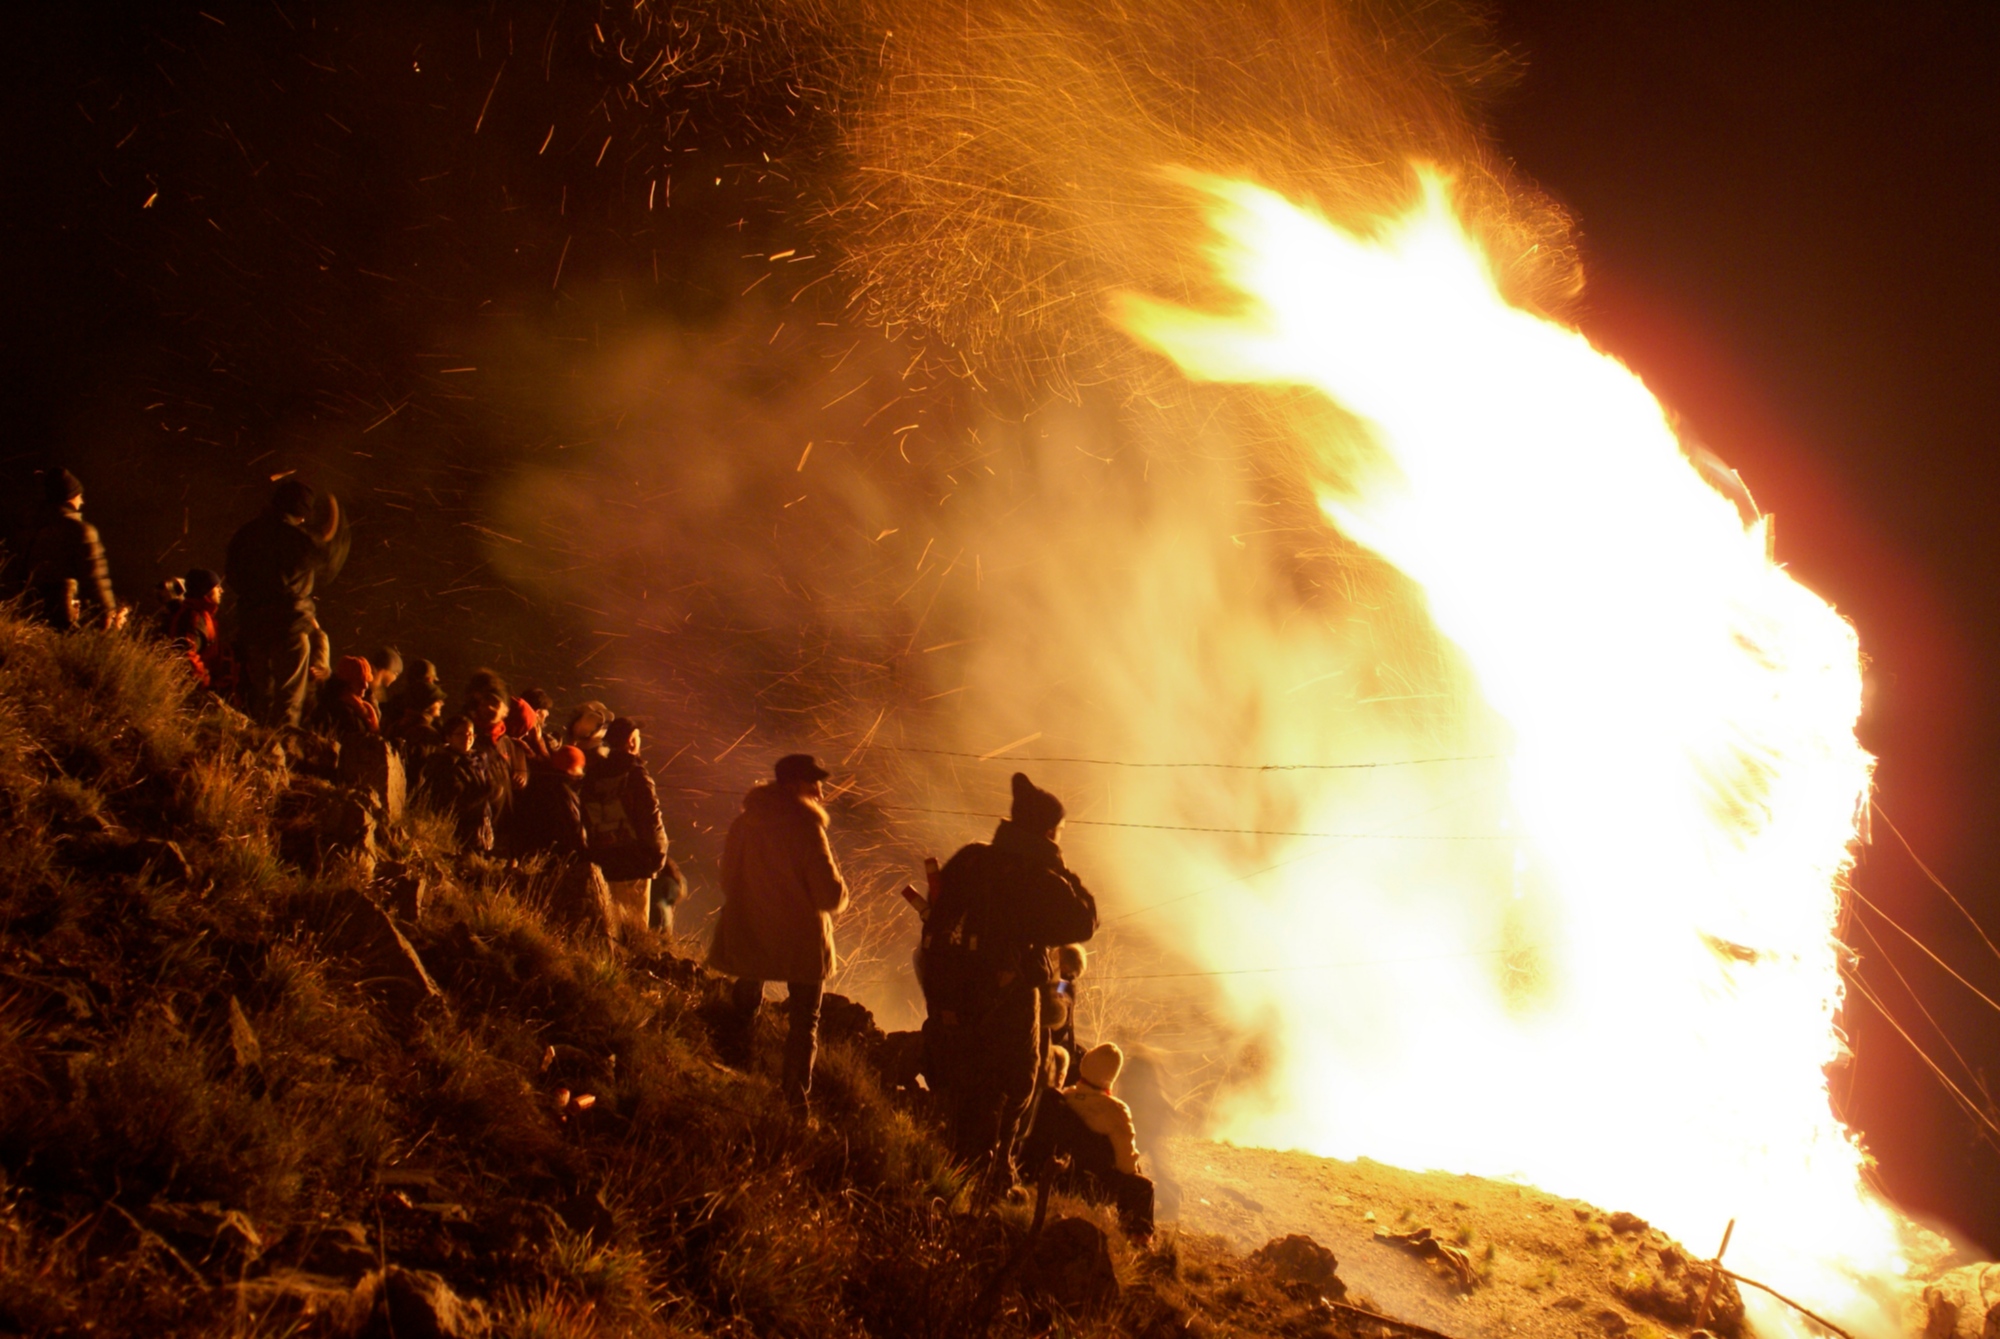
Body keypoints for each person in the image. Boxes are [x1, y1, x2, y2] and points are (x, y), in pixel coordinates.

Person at [920, 773, 1098, 1192]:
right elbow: (1084, 920)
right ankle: (994, 1174)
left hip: (952, 993)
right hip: (1010, 1000)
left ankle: (955, 1174)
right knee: (1020, 1083)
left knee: (968, 1083)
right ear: (1048, 831)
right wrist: (1058, 864)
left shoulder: (972, 858)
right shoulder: (1037, 877)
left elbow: (939, 910)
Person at [708, 753, 850, 1119]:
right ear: (793, 786)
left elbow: (727, 880)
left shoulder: (746, 822)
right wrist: (844, 892)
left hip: (751, 930)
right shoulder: (807, 828)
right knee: (805, 1020)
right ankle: (795, 1103)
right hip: (800, 942)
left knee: (748, 989)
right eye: (813, 784)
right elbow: (828, 896)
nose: (820, 792)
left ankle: (734, 1060)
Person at [225, 478, 349, 728]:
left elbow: (233, 577)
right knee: (288, 700)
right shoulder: (297, 539)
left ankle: (255, 744)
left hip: (252, 626)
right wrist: (339, 520)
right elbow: (329, 559)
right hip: (288, 629)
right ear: (301, 513)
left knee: (261, 695)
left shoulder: (245, 534)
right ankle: (278, 753)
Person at [1020, 1041, 1155, 1241]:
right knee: (1143, 1186)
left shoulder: (1064, 1097)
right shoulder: (1116, 1111)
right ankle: (1139, 1241)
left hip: (1065, 1177)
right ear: (1112, 1077)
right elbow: (1126, 1166)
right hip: (1095, 1185)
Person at [581, 717, 680, 937]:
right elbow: (651, 820)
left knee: (610, 927)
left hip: (604, 860)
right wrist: (657, 857)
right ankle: (629, 969)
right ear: (631, 742)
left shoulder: (592, 774)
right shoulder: (635, 774)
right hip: (635, 861)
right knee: (634, 931)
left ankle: (610, 966)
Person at [24, 467, 117, 630]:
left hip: (31, 616)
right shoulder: (80, 530)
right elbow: (95, 576)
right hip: (64, 614)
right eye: (79, 496)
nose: (82, 501)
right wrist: (107, 609)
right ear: (69, 497)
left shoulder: (39, 530)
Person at [417, 715, 502, 854]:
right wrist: (488, 791)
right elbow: (456, 801)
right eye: (461, 734)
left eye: (470, 733)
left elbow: (489, 783)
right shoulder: (444, 763)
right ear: (449, 737)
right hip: (458, 827)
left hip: (481, 822)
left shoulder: (478, 760)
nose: (467, 738)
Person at [166, 569, 233, 695]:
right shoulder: (193, 618)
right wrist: (203, 684)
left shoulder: (203, 615)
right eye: (217, 587)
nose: (221, 591)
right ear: (205, 591)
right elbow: (185, 655)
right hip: (195, 691)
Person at [327, 655, 380, 740]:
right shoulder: (338, 711)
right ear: (346, 682)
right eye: (360, 681)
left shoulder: (364, 705)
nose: (366, 686)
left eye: (367, 681)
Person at [365, 646, 403, 712]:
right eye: (395, 674)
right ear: (385, 670)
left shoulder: (379, 690)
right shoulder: (365, 689)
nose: (395, 679)